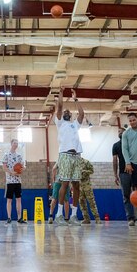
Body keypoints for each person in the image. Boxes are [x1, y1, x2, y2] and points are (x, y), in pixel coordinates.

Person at [53, 91, 85, 225]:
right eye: (64, 112)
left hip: (76, 156)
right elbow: (60, 107)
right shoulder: (60, 123)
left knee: (76, 185)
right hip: (65, 155)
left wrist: (75, 99)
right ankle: (59, 215)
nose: (66, 112)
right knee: (65, 184)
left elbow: (82, 114)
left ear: (70, 115)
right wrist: (61, 93)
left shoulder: (75, 125)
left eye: (68, 112)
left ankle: (73, 216)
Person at [112, 127, 133, 224]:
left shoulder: (131, 143)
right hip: (123, 173)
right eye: (118, 132)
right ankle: (131, 218)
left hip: (134, 171)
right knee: (126, 196)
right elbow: (115, 161)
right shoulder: (116, 145)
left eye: (121, 131)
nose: (119, 133)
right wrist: (115, 175)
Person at [2, 138, 26, 223]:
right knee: (9, 200)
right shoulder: (6, 155)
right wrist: (11, 172)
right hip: (10, 181)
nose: (16, 144)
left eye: (17, 143)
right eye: (14, 143)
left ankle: (19, 218)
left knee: (19, 199)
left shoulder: (19, 156)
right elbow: (4, 167)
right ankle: (9, 218)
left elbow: (23, 166)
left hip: (18, 181)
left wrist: (22, 169)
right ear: (11, 144)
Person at [78, 157, 99, 224]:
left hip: (87, 185)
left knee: (91, 202)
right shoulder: (74, 163)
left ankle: (97, 218)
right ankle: (86, 219)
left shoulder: (86, 162)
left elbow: (92, 171)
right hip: (79, 186)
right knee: (82, 203)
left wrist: (84, 171)